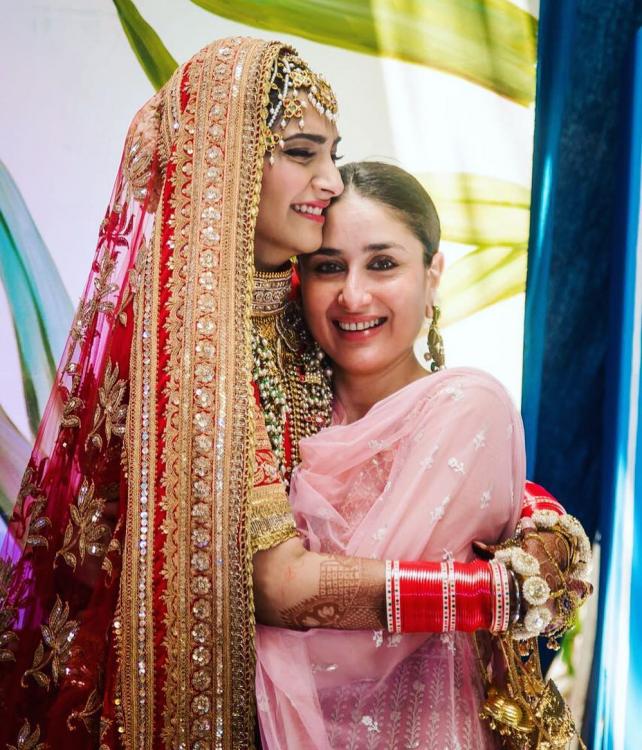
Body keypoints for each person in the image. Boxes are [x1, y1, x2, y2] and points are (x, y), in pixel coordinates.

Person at [0, 38, 587, 750]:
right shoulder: (194, 351)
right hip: (238, 698)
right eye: (305, 154)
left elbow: (417, 464)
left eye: (332, 155)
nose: (331, 182)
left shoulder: (291, 316)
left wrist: (537, 514)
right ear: (232, 160)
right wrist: (494, 593)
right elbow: (281, 586)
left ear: (434, 273)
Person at [255, 162, 591, 749]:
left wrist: (226, 623)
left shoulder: (467, 406)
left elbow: (354, 648)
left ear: (433, 273)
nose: (353, 294)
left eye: (383, 263)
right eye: (328, 267)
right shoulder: (279, 408)